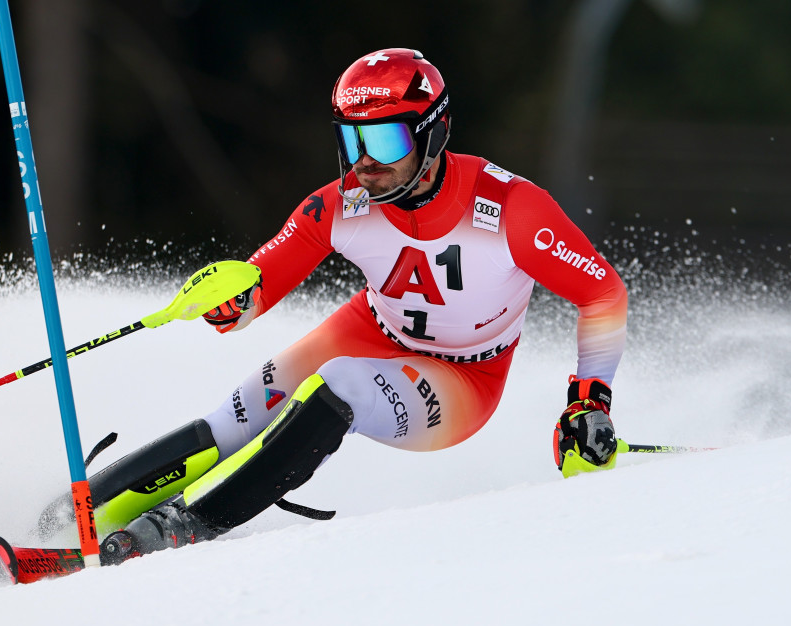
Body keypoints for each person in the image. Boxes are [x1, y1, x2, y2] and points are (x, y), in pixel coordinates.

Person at [95, 48, 628, 564]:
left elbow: (603, 292)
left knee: (339, 384)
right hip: (371, 327)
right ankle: (80, 514)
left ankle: (184, 526)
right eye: (352, 139)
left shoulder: (513, 208)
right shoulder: (344, 203)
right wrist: (232, 297)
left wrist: (588, 403)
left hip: (465, 378)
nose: (366, 161)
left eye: (385, 139)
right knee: (240, 412)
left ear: (433, 132)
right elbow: (261, 280)